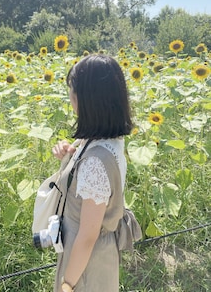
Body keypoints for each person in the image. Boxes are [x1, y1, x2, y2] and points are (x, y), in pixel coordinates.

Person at [52, 54, 133, 292]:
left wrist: (68, 285)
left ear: (88, 101)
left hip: (85, 261)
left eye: (73, 93)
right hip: (91, 252)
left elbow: (88, 236)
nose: (70, 99)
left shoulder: (95, 163)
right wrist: (69, 154)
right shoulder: (108, 140)